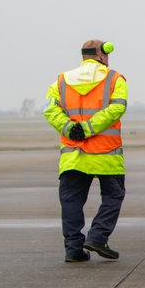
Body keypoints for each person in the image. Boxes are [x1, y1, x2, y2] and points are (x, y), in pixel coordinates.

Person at [43, 39, 128, 263]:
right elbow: (117, 108)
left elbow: (50, 110)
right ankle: (98, 237)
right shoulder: (114, 78)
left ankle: (73, 249)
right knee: (113, 196)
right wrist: (88, 128)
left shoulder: (61, 80)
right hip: (106, 154)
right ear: (102, 54)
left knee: (71, 201)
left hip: (73, 154)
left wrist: (71, 129)